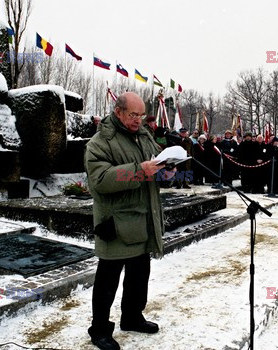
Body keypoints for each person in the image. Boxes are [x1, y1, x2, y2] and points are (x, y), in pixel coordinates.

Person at [84, 92, 173, 350]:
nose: (138, 120)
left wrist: (165, 170)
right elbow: (100, 180)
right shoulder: (101, 142)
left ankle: (132, 317)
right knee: (107, 280)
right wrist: (138, 171)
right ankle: (99, 330)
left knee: (139, 274)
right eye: (133, 115)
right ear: (118, 111)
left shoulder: (144, 135)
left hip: (142, 218)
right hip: (116, 223)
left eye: (141, 115)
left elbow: (153, 164)